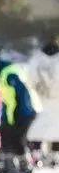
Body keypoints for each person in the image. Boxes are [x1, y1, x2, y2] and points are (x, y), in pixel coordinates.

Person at [0, 59, 40, 173]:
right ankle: (9, 164)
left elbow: (17, 98)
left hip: (23, 113)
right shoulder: (14, 71)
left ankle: (25, 167)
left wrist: (11, 119)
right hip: (22, 112)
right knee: (8, 136)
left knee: (17, 139)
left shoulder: (10, 74)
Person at [27, 36, 59, 165]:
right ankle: (53, 157)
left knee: (37, 129)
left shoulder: (36, 59)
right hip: (55, 101)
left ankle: (36, 155)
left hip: (39, 100)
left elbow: (30, 79)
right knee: (55, 129)